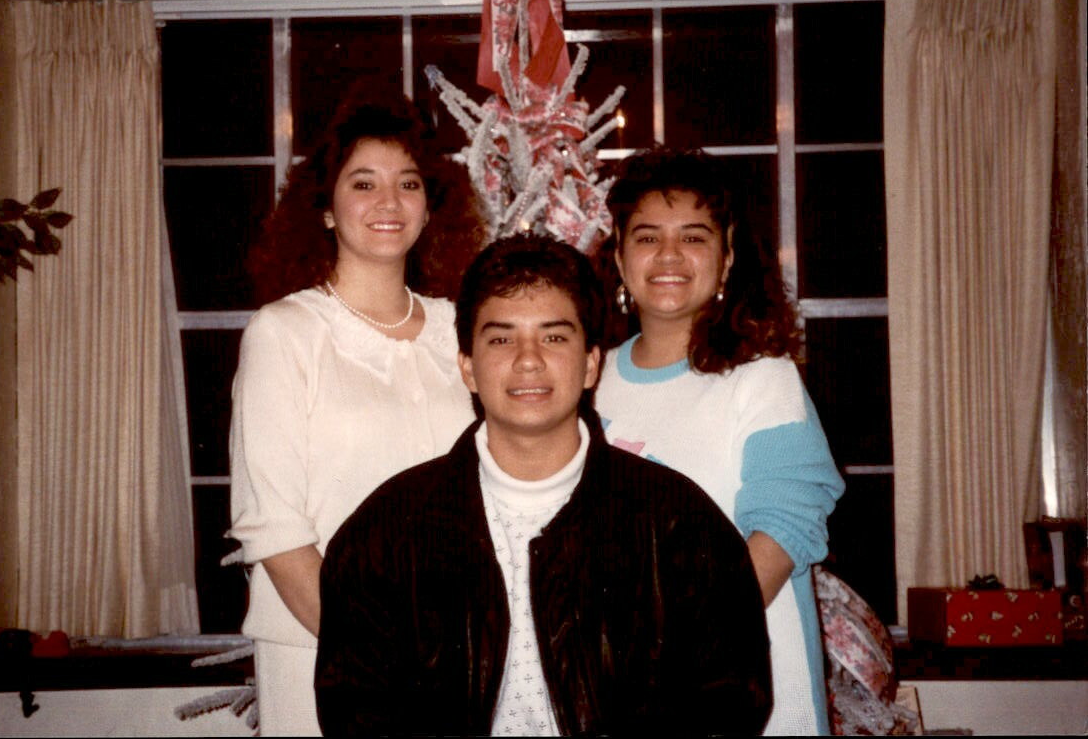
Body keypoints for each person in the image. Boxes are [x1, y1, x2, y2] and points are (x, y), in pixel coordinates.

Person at [316, 233, 773, 736]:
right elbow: (356, 714)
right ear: (467, 368)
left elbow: (728, 705)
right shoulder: (386, 532)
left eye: (554, 338)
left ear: (591, 364)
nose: (528, 360)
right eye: (502, 339)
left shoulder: (677, 522)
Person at [228, 92, 481, 736]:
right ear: (325, 207)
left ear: (430, 207)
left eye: (408, 183)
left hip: (452, 656)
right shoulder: (284, 333)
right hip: (322, 653)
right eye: (363, 183)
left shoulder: (459, 328)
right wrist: (378, 660)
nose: (388, 202)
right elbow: (276, 533)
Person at [594, 147, 846, 735]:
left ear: (727, 256)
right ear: (620, 256)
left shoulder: (762, 378)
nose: (669, 256)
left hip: (742, 687)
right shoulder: (591, 381)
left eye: (694, 237)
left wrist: (674, 657)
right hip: (622, 692)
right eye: (648, 237)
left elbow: (782, 532)